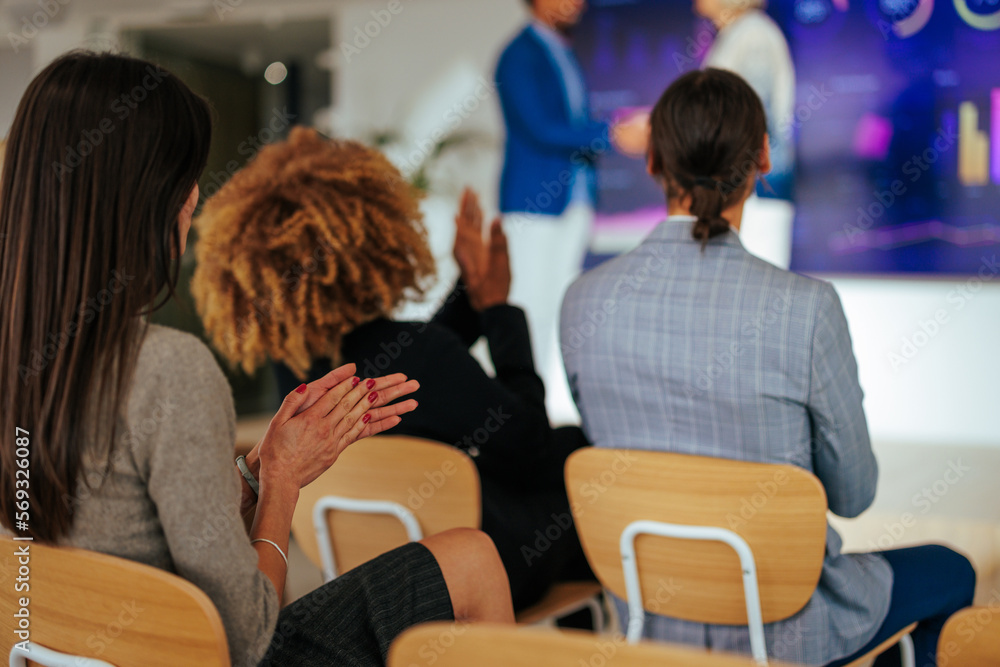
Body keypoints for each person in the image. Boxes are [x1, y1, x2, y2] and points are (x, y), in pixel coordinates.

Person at [0, 52, 514, 667]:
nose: (194, 196)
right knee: (474, 560)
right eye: (185, 175)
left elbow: (122, 522)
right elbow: (246, 640)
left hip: (71, 648)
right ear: (145, 197)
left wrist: (255, 472)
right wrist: (283, 486)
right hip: (207, 654)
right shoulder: (169, 370)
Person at [560, 68, 975, 666]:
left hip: (648, 631)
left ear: (651, 160)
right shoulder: (805, 310)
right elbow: (854, 495)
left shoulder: (583, 301)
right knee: (950, 571)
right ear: (762, 157)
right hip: (783, 633)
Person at [190, 127, 595, 613]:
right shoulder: (421, 353)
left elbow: (417, 362)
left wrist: (473, 291)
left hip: (363, 574)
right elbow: (533, 448)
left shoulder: (298, 367)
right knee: (579, 462)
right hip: (473, 573)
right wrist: (498, 307)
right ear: (379, 236)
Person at [495, 0, 645, 423]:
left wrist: (610, 126)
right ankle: (513, 413)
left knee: (555, 308)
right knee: (525, 311)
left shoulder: (563, 50)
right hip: (533, 207)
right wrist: (613, 134)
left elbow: (569, 121)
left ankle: (534, 410)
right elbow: (541, 128)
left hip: (572, 204)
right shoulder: (518, 53)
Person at [696, 0, 796, 269]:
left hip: (755, 187)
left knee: (761, 285)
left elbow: (753, 112)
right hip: (741, 184)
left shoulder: (752, 32)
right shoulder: (736, 31)